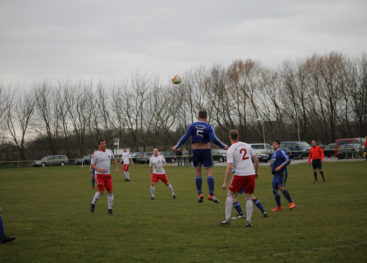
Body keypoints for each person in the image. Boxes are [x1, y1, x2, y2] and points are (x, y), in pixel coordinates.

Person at [172, 110, 228, 203]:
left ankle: (200, 193)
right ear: (206, 117)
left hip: (196, 151)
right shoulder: (208, 126)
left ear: (198, 116)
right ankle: (211, 194)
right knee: (209, 172)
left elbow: (185, 137)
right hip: (206, 151)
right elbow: (214, 139)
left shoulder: (192, 126)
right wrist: (223, 145)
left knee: (198, 173)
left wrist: (177, 146)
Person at [221, 129, 259, 227]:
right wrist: (256, 172)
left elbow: (229, 167)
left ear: (230, 137)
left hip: (240, 174)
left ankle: (227, 219)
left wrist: (225, 181)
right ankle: (248, 221)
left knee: (230, 194)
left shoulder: (231, 149)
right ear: (238, 136)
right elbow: (256, 160)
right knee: (249, 197)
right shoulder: (247, 145)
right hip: (250, 174)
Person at [90, 139, 119, 215]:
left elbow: (113, 160)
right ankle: (93, 203)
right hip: (99, 175)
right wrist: (99, 169)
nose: (103, 145)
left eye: (104, 143)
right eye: (102, 144)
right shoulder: (95, 154)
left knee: (110, 192)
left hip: (108, 175)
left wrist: (116, 168)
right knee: (101, 192)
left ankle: (110, 209)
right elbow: (92, 165)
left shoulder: (109, 151)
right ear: (99, 145)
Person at [270, 140, 296, 211]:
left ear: (278, 145)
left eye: (275, 144)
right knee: (274, 190)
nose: (273, 145)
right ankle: (279, 207)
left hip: (282, 172)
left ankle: (291, 203)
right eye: (273, 144)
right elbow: (274, 162)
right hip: (275, 174)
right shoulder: (274, 154)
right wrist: (271, 165)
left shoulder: (281, 151)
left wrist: (280, 167)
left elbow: (288, 160)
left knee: (281, 187)